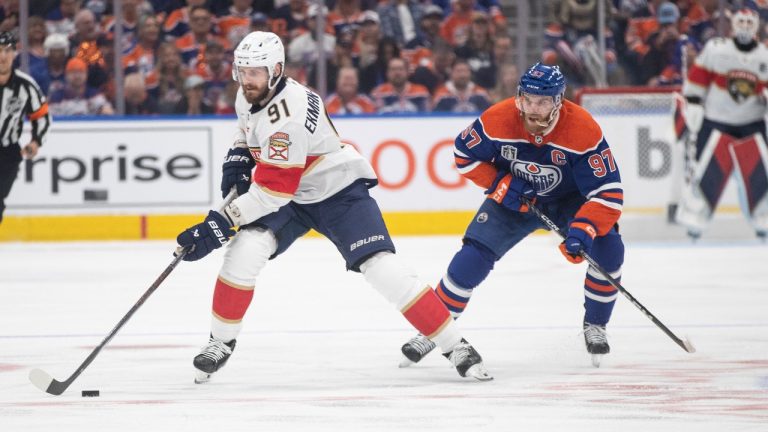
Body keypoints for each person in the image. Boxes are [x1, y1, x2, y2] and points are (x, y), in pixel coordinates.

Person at [174, 31, 492, 384]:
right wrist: (239, 151)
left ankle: (455, 345)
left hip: (336, 189)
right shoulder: (251, 91)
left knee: (381, 268)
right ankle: (220, 342)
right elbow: (246, 127)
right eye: (242, 71)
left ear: (276, 70)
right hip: (291, 191)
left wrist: (219, 224)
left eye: (255, 72)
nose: (246, 79)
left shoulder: (288, 120)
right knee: (244, 251)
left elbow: (273, 193)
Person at [398, 62, 624, 368]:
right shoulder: (498, 119)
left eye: (543, 101)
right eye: (528, 99)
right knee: (472, 257)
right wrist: (499, 183)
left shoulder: (583, 129)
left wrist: (584, 227)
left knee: (608, 247)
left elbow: (608, 191)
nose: (533, 108)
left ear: (558, 100)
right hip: (516, 199)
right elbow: (464, 155)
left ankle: (595, 325)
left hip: (569, 201)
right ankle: (434, 329)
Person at [677, 8, 768, 241]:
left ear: (757, 25)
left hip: (752, 124)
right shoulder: (716, 50)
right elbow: (698, 78)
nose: (746, 26)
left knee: (760, 175)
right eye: (742, 21)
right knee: (707, 172)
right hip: (716, 122)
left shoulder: (764, 57)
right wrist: (694, 102)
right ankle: (695, 220)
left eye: (750, 21)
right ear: (733, 24)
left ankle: (763, 219)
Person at [0, 31, 52, 224]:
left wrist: (36, 142)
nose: (2, 56)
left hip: (7, 153)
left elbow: (42, 116)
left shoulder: (25, 85)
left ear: (14, 53)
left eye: (7, 51)